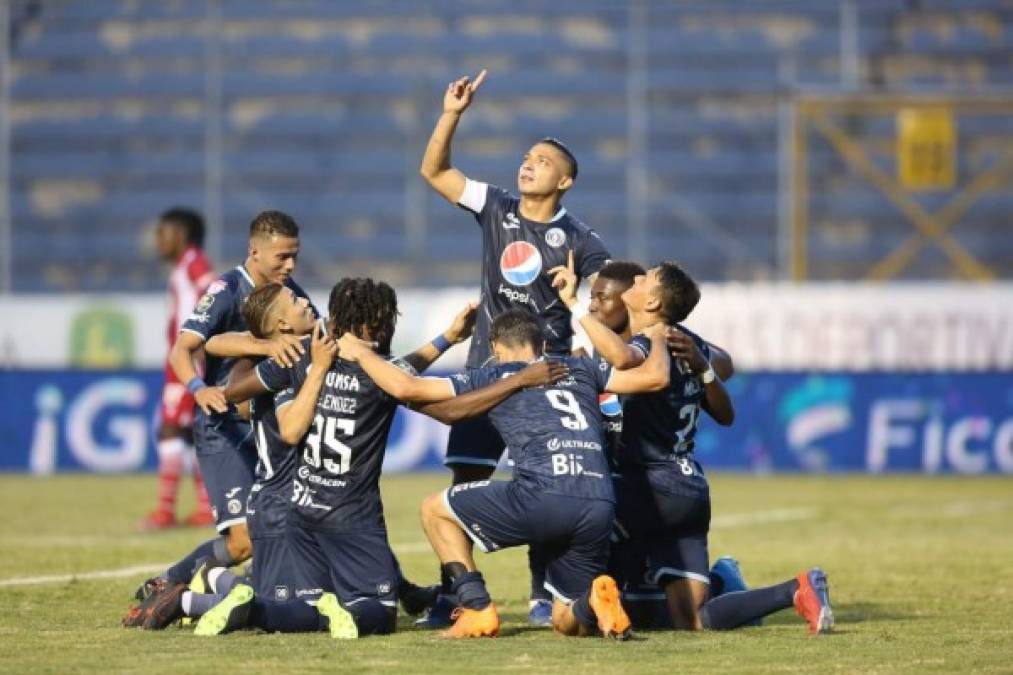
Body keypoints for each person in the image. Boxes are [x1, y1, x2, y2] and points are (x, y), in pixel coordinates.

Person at [183, 279, 567, 638]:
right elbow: (446, 408)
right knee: (379, 613)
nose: (390, 328)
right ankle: (241, 595)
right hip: (351, 516)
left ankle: (248, 610)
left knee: (303, 605)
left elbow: (236, 387)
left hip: (300, 509)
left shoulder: (301, 355)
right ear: (373, 326)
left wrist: (446, 338)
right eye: (387, 320)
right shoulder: (379, 375)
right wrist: (516, 380)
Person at [337, 308, 674, 639]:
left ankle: (476, 608)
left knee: (434, 510)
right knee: (565, 620)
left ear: (496, 348)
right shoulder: (582, 367)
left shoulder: (496, 375)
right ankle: (593, 602)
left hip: (543, 495)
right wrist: (658, 338)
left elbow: (407, 387)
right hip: (598, 502)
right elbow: (655, 377)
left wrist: (361, 356)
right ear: (542, 345)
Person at [419, 68, 612, 625]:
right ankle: (457, 598)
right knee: (466, 481)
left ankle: (543, 595)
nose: (529, 164)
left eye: (543, 161)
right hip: (486, 372)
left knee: (546, 480)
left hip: (546, 381)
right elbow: (433, 171)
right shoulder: (496, 206)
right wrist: (452, 113)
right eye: (527, 156)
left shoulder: (580, 239)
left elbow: (610, 294)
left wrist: (584, 300)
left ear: (565, 182)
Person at [553, 258, 835, 635]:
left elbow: (624, 359)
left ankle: (556, 604)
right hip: (686, 489)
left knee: (573, 515)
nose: (638, 277)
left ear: (652, 304)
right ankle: (796, 588)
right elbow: (726, 373)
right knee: (693, 620)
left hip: (643, 487)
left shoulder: (648, 342)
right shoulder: (688, 341)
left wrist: (572, 305)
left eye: (646, 279)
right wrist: (704, 367)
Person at [125, 211, 313, 617]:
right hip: (223, 428)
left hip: (268, 429)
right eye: (282, 257)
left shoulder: (291, 292)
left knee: (296, 526)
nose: (290, 265)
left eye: (295, 256)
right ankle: (172, 585)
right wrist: (199, 387)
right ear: (255, 251)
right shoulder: (226, 289)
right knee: (243, 541)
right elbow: (185, 348)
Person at [142, 207, 216, 531]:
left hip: (189, 362)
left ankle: (165, 511)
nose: (158, 240)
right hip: (183, 361)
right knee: (189, 432)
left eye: (163, 233)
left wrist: (200, 344)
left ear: (181, 235)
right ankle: (203, 509)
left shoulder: (194, 262)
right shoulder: (183, 266)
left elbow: (213, 289)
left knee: (172, 429)